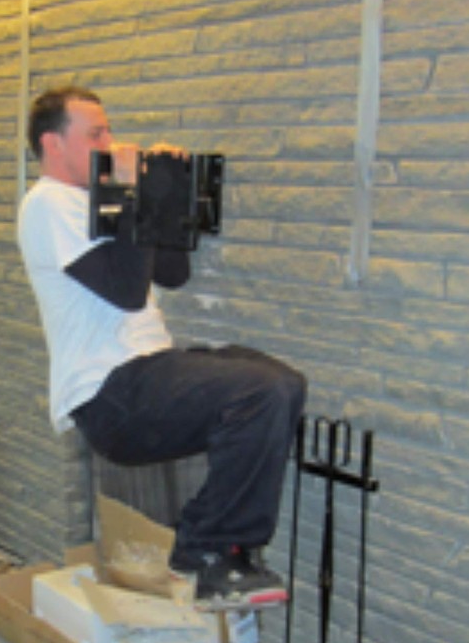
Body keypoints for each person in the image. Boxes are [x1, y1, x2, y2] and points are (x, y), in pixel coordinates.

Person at [17, 84, 307, 610]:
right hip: (108, 393)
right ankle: (209, 552)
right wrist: (134, 190)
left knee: (283, 384)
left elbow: (171, 273)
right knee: (259, 391)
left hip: (149, 370)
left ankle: (222, 549)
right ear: (53, 144)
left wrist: (165, 192)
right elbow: (126, 291)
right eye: (96, 133)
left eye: (108, 130)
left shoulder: (95, 199)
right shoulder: (47, 203)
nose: (110, 142)